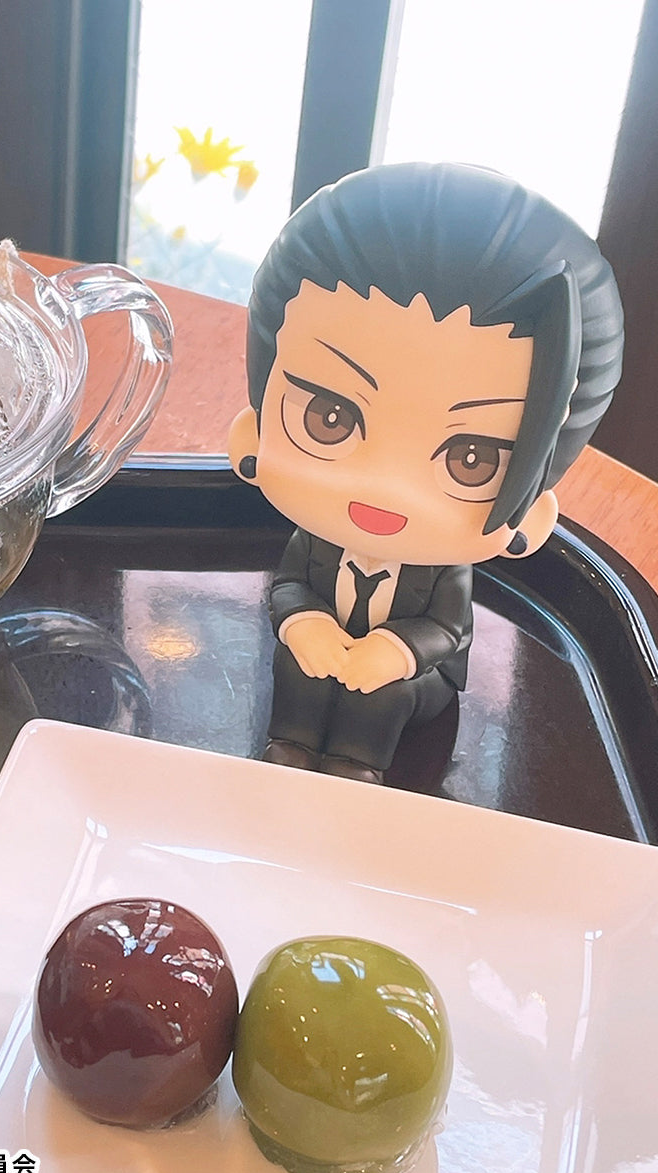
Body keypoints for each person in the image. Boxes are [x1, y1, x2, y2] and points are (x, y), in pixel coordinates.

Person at [228, 162, 623, 784]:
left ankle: (357, 765)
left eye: (473, 460)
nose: (386, 488)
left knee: (382, 697)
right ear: (251, 437)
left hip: (412, 678)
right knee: (294, 666)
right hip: (321, 649)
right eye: (329, 418)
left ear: (535, 511)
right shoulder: (315, 541)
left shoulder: (442, 568)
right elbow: (288, 587)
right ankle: (291, 747)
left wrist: (394, 651)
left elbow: (447, 627)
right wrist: (305, 624)